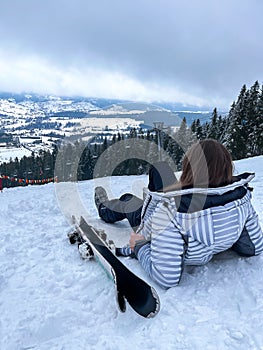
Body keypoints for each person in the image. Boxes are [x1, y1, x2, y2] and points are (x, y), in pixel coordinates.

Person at [94, 139, 263, 289]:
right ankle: (152, 197)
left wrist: (137, 246)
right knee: (161, 169)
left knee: (129, 200)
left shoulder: (172, 213)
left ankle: (104, 208)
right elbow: (253, 246)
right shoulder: (241, 198)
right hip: (194, 199)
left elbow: (167, 277)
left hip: (155, 221)